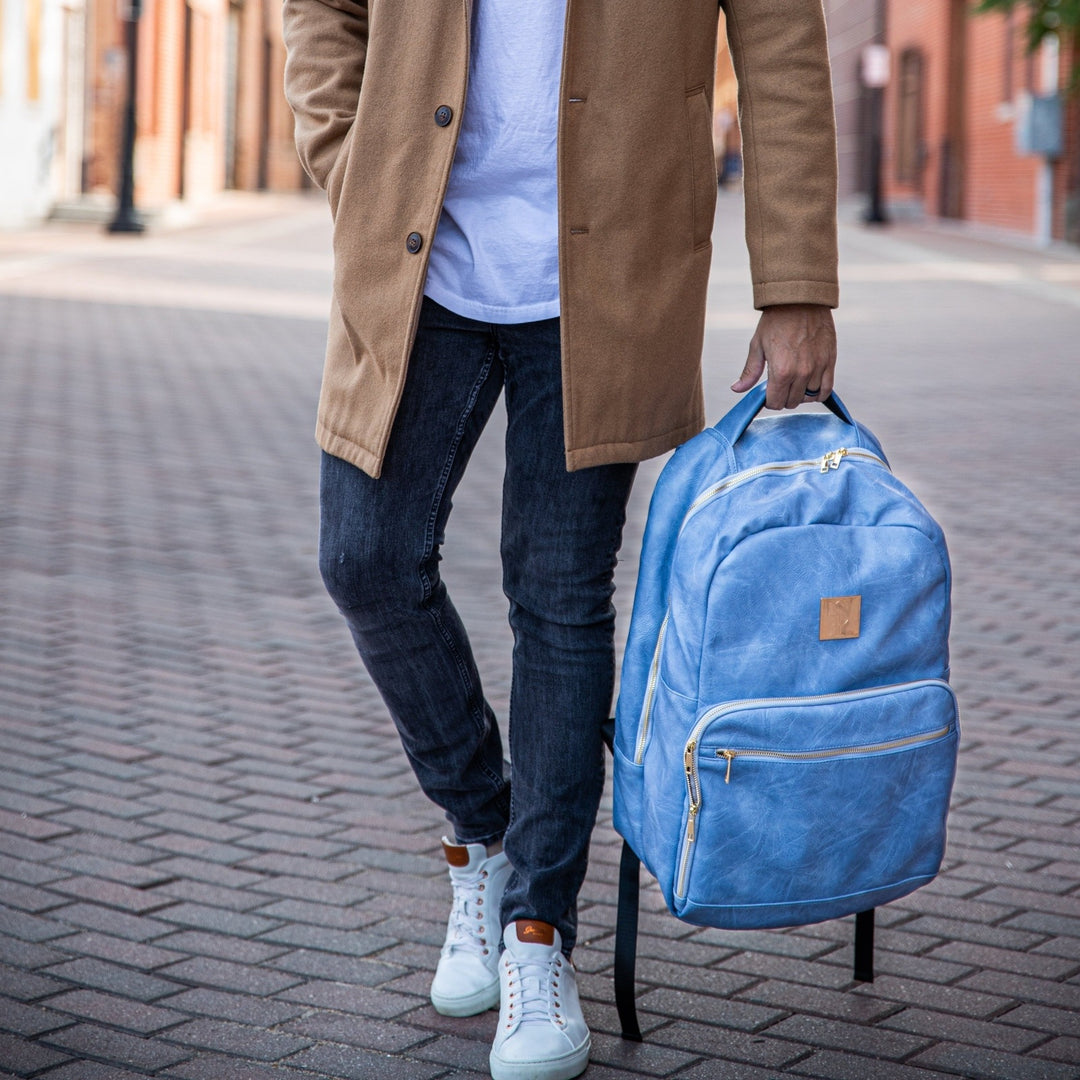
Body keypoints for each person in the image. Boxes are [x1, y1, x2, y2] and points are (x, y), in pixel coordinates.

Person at [282, 3, 838, 1078]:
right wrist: (353, 159)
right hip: (415, 251)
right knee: (365, 558)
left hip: (609, 267)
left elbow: (781, 44)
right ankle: (485, 832)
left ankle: (537, 931)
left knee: (559, 595)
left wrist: (798, 284)